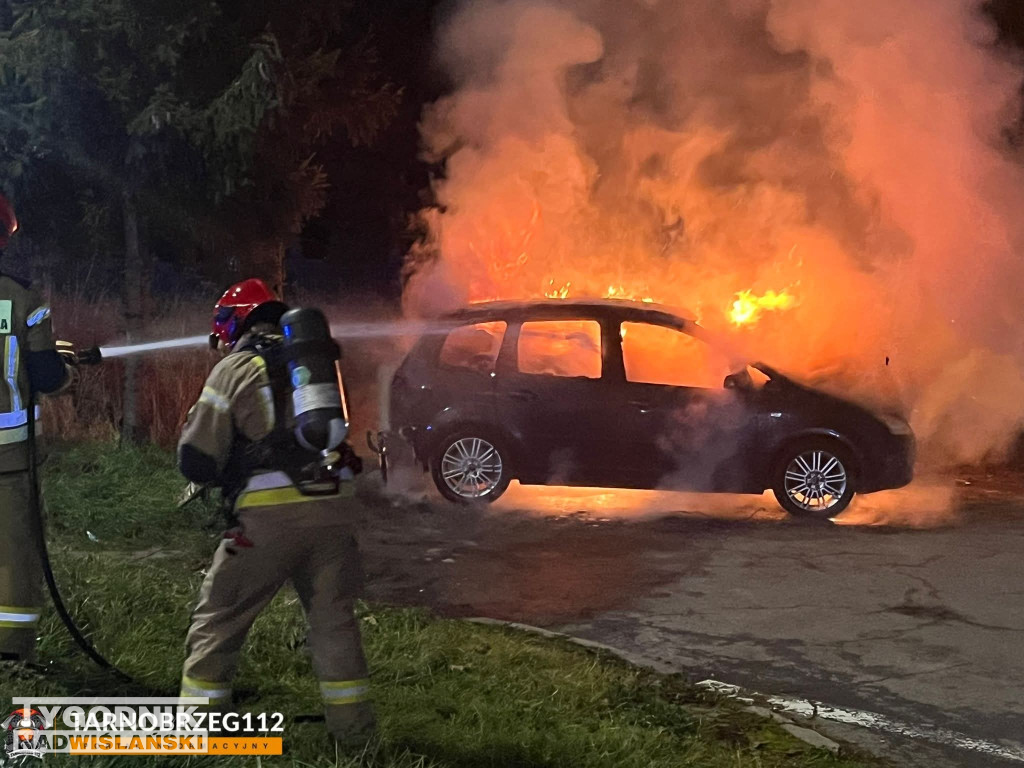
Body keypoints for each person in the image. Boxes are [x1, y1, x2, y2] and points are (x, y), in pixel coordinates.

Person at [177, 278, 374, 744]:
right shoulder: (313, 365)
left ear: (233, 323)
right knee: (334, 623)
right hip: (335, 509)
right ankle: (356, 739)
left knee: (219, 619)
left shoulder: (235, 369)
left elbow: (197, 458)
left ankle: (195, 732)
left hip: (268, 519)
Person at [0, 193, 74, 663]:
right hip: (8, 461)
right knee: (12, 557)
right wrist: (66, 366)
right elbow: (47, 377)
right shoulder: (24, 297)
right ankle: (11, 654)